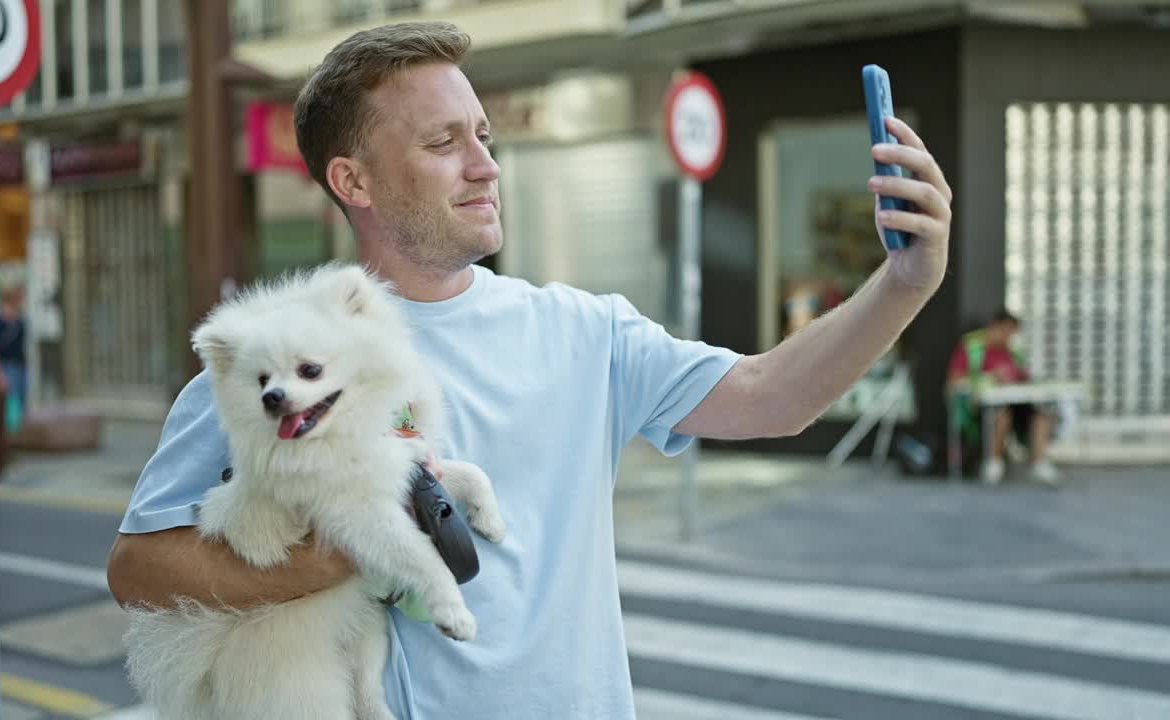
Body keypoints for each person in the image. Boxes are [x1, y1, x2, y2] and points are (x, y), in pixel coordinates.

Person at [106, 22, 953, 718]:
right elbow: (139, 569)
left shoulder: (584, 330)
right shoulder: (271, 363)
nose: (485, 164)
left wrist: (905, 283)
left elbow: (774, 397)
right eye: (444, 143)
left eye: (484, 136)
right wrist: (337, 558)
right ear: (350, 179)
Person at [947, 308, 1058, 485]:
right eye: (1005, 331)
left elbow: (1025, 377)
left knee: (1041, 416)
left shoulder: (1012, 351)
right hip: (980, 407)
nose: (1008, 337)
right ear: (994, 326)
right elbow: (953, 381)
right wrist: (991, 377)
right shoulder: (972, 346)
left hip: (1017, 404)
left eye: (1012, 333)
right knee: (1001, 415)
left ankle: (1040, 465)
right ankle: (994, 464)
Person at [0, 286, 28, 432]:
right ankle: (8, 438)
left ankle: (15, 435)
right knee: (10, 404)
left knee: (19, 402)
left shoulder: (19, 319)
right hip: (6, 366)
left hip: (20, 366)